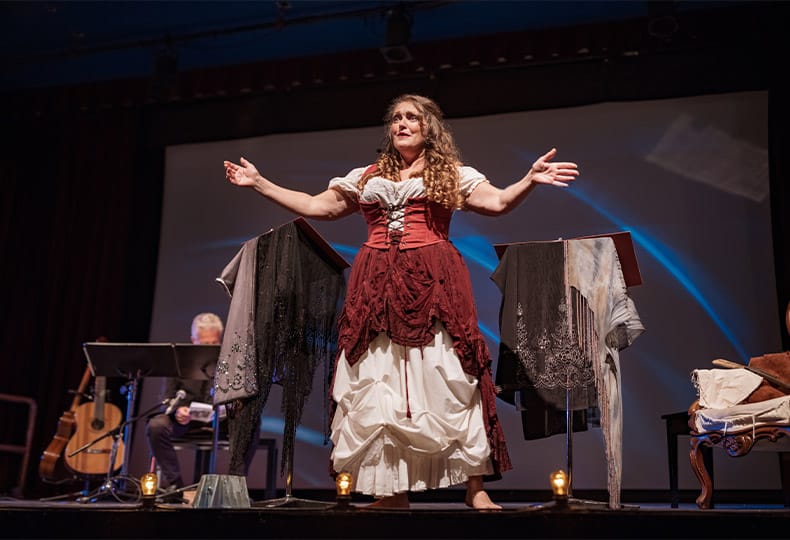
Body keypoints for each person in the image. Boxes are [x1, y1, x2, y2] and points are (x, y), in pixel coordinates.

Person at [223, 94, 579, 509]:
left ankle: (474, 486)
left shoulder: (450, 174)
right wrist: (260, 183)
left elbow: (496, 203)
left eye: (412, 117)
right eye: (396, 118)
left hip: (433, 278)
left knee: (450, 373)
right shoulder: (365, 176)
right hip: (375, 281)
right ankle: (393, 491)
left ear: (429, 127)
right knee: (380, 378)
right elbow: (319, 206)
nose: (402, 124)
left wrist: (529, 181)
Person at [146, 312, 256, 493]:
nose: (209, 349)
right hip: (186, 421)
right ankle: (174, 485)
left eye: (214, 344)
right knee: (156, 426)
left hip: (221, 420)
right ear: (193, 340)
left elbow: (242, 395)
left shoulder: (231, 361)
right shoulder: (178, 362)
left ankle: (236, 485)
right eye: (204, 344)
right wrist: (177, 412)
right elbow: (166, 400)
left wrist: (235, 406)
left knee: (251, 420)